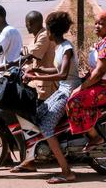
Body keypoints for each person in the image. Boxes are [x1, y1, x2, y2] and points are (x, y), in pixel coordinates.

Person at [14, 12, 81, 184]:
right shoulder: (60, 47)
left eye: (47, 30)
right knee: (38, 115)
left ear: (51, 32)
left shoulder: (66, 48)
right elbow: (55, 69)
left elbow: (62, 74)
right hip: (62, 90)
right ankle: (32, 159)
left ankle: (67, 172)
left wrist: (37, 77)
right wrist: (37, 71)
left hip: (69, 92)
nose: (46, 32)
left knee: (46, 127)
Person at [66, 10, 106, 151]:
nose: (97, 26)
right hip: (105, 85)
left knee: (74, 102)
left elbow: (100, 72)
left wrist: (82, 87)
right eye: (96, 23)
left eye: (101, 23)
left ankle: (95, 137)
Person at [23, 10, 58, 101]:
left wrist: (6, 66)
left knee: (42, 108)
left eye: (27, 23)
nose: (26, 25)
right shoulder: (38, 35)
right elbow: (27, 50)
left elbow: (31, 54)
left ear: (31, 24)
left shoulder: (44, 36)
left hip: (45, 81)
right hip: (38, 77)